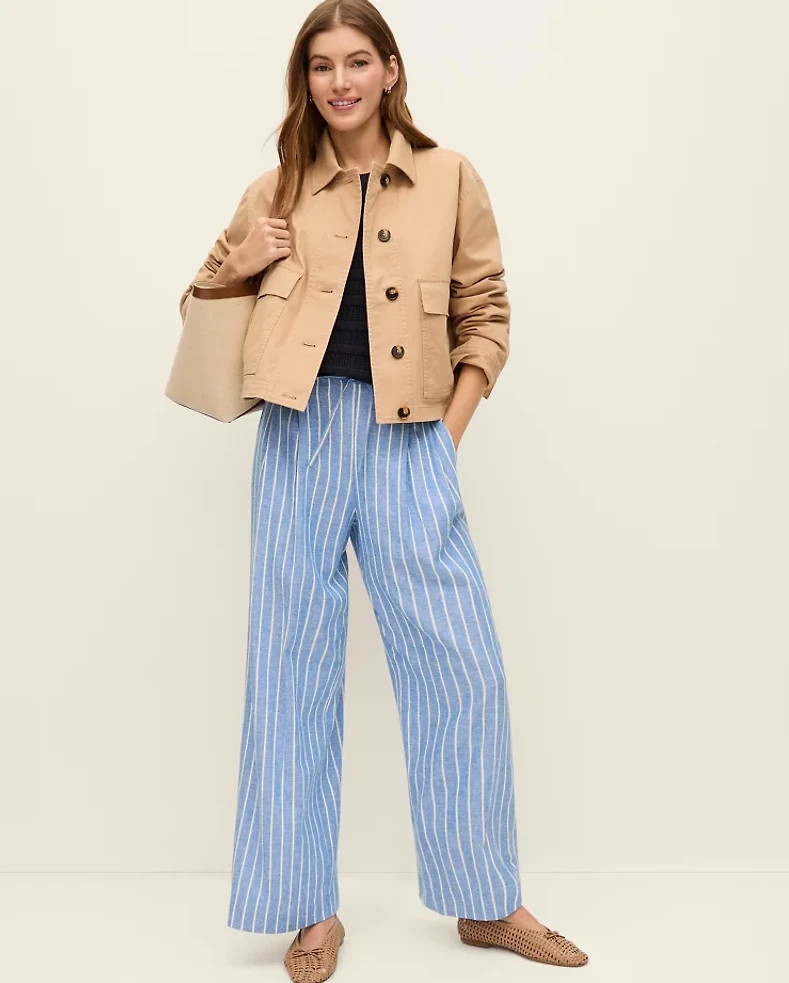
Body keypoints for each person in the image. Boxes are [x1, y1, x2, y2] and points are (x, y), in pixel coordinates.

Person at [179, 1, 589, 978]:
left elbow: (486, 313)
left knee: (462, 665)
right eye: (321, 65)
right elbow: (198, 316)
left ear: (390, 70)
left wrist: (446, 439)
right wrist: (239, 265)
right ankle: (306, 910)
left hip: (411, 437)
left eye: (357, 61)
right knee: (290, 671)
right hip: (299, 436)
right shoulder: (274, 190)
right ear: (306, 80)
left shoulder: (450, 178)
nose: (340, 81)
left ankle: (487, 900)